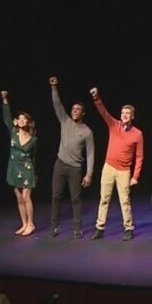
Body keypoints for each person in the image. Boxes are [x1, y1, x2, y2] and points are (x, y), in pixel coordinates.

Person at [89, 87, 144, 241]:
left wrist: (136, 176)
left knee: (125, 200)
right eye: (122, 113)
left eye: (127, 113)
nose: (124, 115)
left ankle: (128, 228)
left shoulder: (137, 134)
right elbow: (104, 112)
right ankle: (100, 227)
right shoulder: (114, 125)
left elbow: (139, 156)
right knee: (104, 198)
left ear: (132, 116)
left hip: (124, 170)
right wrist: (96, 98)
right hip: (109, 167)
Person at [49, 76, 95, 238]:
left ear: (83, 113)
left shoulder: (87, 132)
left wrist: (89, 174)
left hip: (75, 168)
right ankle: (54, 226)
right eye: (73, 109)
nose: (74, 111)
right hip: (60, 164)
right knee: (56, 196)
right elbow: (57, 104)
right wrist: (54, 88)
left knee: (76, 199)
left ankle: (77, 228)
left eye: (78, 109)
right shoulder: (65, 121)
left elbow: (90, 153)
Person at [0, 91, 37, 236]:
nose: (21, 120)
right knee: (19, 198)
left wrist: (35, 173)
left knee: (26, 197)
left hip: (27, 169)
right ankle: (24, 223)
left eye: (24, 119)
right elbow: (7, 118)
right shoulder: (13, 132)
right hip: (14, 169)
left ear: (28, 122)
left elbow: (34, 156)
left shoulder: (33, 139)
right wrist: (5, 100)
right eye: (19, 118)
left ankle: (31, 224)